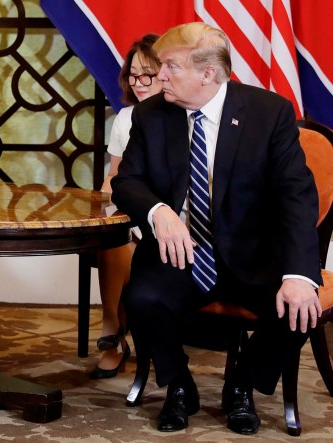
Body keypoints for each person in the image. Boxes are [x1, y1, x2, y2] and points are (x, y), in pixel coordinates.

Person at [111, 22, 321, 435]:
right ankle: (179, 385)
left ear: (207, 74)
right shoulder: (153, 113)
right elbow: (126, 181)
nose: (160, 77)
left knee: (301, 310)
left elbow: (297, 195)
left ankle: (242, 385)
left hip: (252, 253)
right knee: (142, 298)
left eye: (169, 67)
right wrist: (159, 211)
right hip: (181, 250)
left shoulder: (268, 112)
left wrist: (299, 274)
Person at [90, 34, 161, 380]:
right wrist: (98, 208)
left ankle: (115, 331)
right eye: (134, 75)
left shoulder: (184, 116)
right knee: (112, 234)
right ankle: (113, 328)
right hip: (132, 209)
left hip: (171, 213)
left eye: (148, 74)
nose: (140, 83)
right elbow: (113, 177)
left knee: (124, 237)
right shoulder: (125, 118)